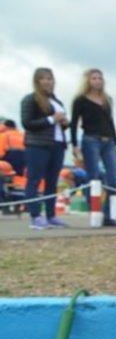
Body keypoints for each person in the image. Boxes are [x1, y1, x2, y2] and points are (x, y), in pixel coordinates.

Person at [19, 68, 69, 229]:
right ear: (37, 81)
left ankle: (51, 215)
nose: (47, 81)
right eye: (43, 78)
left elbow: (59, 124)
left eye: (50, 78)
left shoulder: (57, 101)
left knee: (52, 182)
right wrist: (51, 119)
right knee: (34, 180)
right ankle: (35, 216)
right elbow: (27, 123)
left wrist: (65, 124)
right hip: (38, 145)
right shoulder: (30, 99)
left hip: (58, 145)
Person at [70, 68, 116, 227]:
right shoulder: (80, 100)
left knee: (114, 179)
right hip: (90, 139)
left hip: (108, 141)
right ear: (88, 81)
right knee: (94, 178)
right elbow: (74, 122)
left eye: (99, 78)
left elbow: (110, 121)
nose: (97, 81)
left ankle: (108, 215)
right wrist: (74, 144)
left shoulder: (107, 99)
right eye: (94, 78)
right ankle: (95, 211)